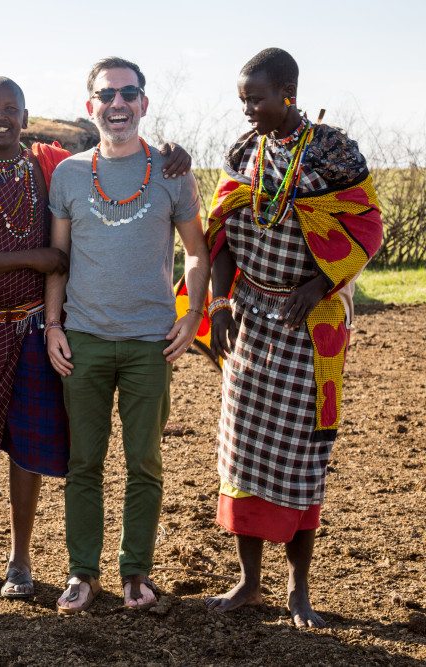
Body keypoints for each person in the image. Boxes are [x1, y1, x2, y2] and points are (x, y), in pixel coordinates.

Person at [0, 76, 193, 598]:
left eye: (12, 108)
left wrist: (170, 149)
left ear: (27, 119)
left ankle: (21, 562)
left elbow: (115, 149)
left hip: (32, 328)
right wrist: (34, 258)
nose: (0, 116)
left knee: (29, 446)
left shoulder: (45, 168)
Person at [202, 48, 383, 628]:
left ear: (288, 91)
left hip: (310, 328)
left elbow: (366, 225)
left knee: (301, 457)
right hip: (251, 322)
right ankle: (249, 583)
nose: (248, 109)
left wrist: (321, 281)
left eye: (256, 98)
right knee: (244, 454)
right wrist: (222, 301)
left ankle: (298, 591)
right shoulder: (242, 154)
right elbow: (223, 232)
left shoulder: (333, 153)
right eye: (242, 100)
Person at [44, 57, 210, 613]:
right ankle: (82, 574)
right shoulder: (69, 174)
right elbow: (58, 260)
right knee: (83, 463)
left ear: (144, 102)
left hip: (150, 342)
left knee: (144, 462)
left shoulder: (171, 171)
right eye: (106, 95)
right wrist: (52, 326)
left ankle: (137, 573)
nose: (117, 104)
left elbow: (196, 251)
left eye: (128, 94)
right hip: (84, 340)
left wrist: (192, 315)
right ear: (89, 105)